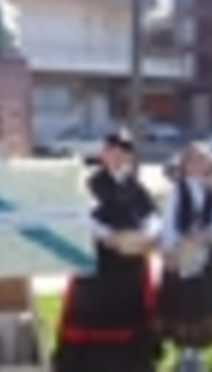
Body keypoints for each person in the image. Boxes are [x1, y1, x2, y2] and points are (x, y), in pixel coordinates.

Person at [53, 129, 162, 372]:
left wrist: (148, 236)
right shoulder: (91, 184)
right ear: (103, 154)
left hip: (130, 264)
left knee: (130, 315)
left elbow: (151, 215)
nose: (117, 157)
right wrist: (107, 236)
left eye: (123, 152)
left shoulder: (135, 186)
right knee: (93, 316)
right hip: (99, 263)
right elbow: (82, 215)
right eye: (112, 151)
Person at [157, 142, 212, 372]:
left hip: (204, 253)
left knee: (202, 302)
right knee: (183, 302)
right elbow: (168, 223)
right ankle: (184, 353)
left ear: (209, 163)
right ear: (185, 164)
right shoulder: (177, 190)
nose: (197, 164)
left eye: (202, 159)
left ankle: (197, 353)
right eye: (192, 160)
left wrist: (208, 234)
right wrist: (169, 252)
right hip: (181, 252)